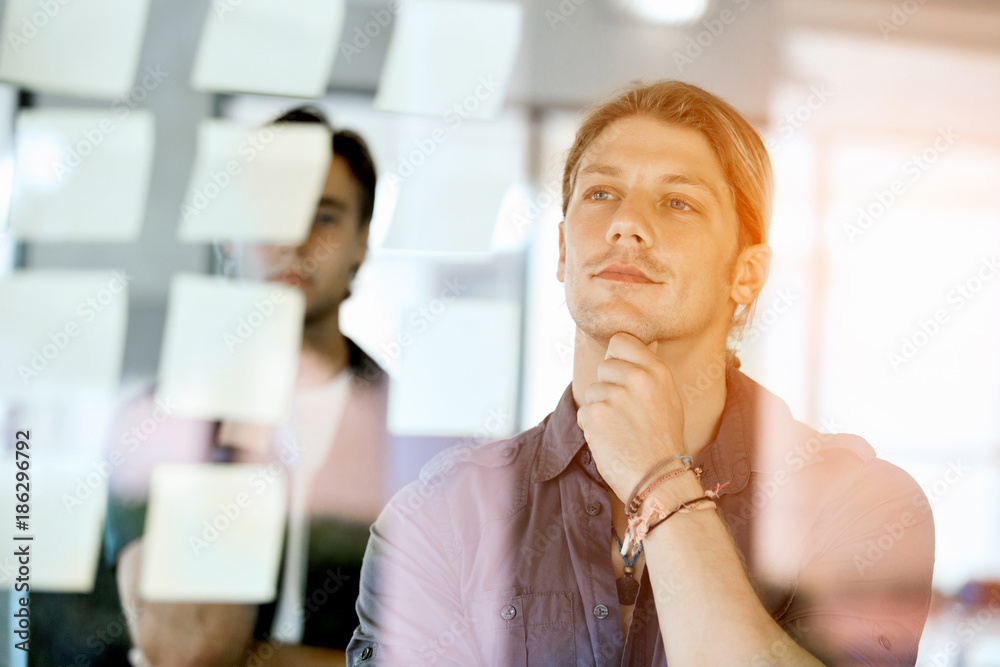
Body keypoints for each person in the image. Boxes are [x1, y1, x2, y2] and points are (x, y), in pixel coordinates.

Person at [346, 80, 935, 666]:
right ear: (560, 251)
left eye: (678, 202)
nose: (627, 224)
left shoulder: (861, 502)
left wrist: (661, 480)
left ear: (747, 275)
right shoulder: (440, 516)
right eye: (602, 193)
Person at [112, 107, 388, 666]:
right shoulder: (160, 420)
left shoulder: (405, 429)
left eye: (326, 217)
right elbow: (149, 641)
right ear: (229, 238)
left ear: (361, 244)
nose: (295, 240)